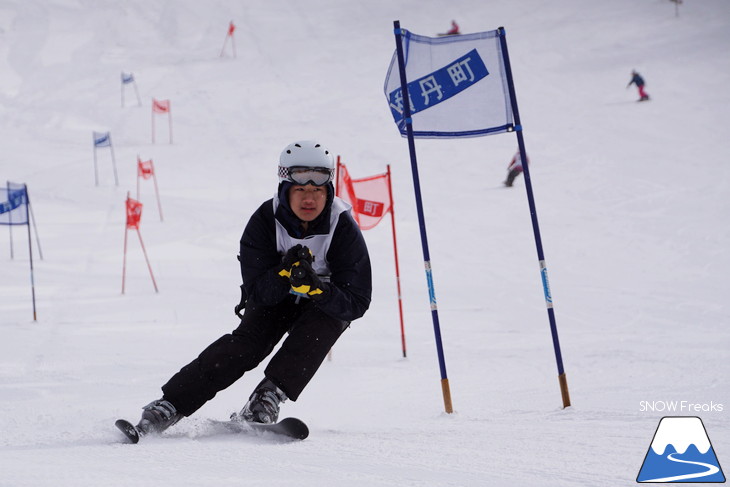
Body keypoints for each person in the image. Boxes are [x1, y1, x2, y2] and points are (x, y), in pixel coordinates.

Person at [127, 140, 372, 436]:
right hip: (275, 298)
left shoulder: (342, 226)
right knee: (246, 345)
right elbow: (258, 293)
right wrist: (283, 273)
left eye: (318, 190)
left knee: (320, 329)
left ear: (328, 190)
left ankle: (267, 397)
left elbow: (356, 301)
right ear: (285, 188)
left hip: (321, 303)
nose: (310, 199)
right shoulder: (264, 222)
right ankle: (169, 405)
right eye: (301, 190)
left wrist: (317, 288)